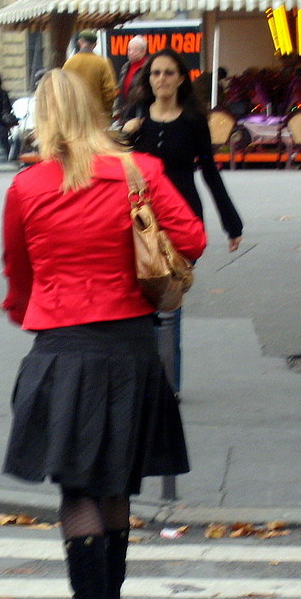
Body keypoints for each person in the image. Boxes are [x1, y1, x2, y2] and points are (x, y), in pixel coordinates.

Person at [1, 69, 205, 599]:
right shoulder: (138, 171)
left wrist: (33, 312)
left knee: (78, 489)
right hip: (131, 343)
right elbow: (191, 238)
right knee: (116, 481)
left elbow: (17, 272)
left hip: (62, 345)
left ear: (43, 120)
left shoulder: (27, 187)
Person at [121, 48, 243, 391]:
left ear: (180, 79)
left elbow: (209, 172)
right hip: (139, 219)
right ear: (148, 78)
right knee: (140, 301)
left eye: (168, 73)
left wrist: (231, 223)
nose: (161, 79)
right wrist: (125, 133)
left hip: (180, 217)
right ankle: (144, 380)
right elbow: (112, 163)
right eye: (156, 73)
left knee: (169, 304)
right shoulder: (136, 115)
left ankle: (167, 387)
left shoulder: (192, 121)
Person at [62, 29, 118, 121]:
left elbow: (62, 90)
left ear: (79, 42)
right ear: (95, 44)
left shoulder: (69, 64)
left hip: (75, 117)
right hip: (97, 117)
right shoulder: (103, 63)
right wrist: (105, 112)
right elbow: (110, 91)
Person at [113, 34, 147, 121]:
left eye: (135, 50)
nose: (131, 52)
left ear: (143, 51)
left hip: (140, 112)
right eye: (129, 49)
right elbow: (120, 88)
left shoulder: (148, 68)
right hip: (124, 112)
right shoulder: (125, 67)